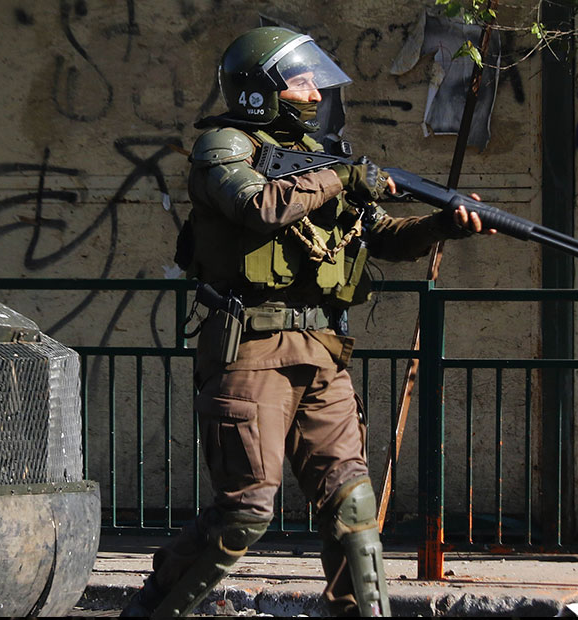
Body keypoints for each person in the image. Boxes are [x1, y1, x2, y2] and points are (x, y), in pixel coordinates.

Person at [121, 26, 494, 618]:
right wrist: (342, 177)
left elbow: (382, 240)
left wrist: (443, 224)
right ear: (257, 91)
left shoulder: (322, 162)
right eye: (300, 83)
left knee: (353, 509)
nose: (316, 94)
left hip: (322, 349)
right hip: (251, 351)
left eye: (316, 82)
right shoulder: (224, 146)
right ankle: (152, 610)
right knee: (245, 511)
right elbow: (258, 205)